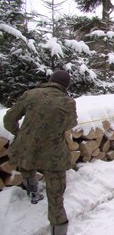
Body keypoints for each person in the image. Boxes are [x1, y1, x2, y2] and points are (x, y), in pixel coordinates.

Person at [3, 70, 78, 235]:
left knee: (26, 163)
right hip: (54, 155)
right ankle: (59, 230)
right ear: (65, 86)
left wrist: (19, 133)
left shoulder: (31, 94)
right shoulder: (68, 102)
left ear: (51, 80)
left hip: (26, 147)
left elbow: (9, 119)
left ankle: (33, 193)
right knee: (56, 196)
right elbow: (70, 124)